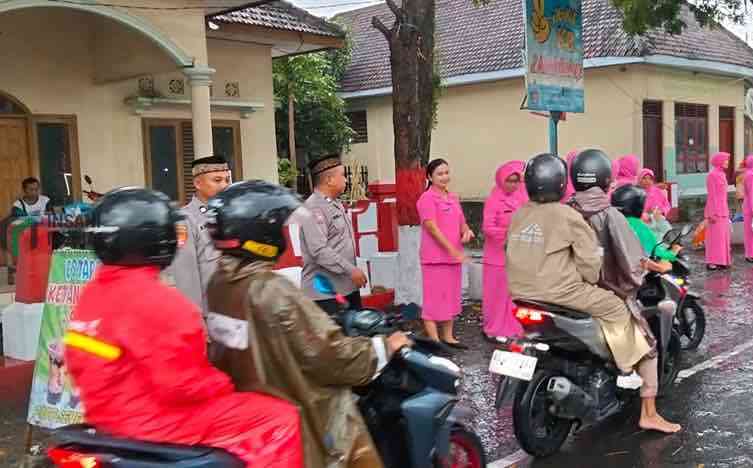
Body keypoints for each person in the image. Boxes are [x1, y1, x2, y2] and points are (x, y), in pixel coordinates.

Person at [64, 187, 303, 468]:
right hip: (156, 421)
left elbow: (81, 361)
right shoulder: (162, 303)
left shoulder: (92, 296)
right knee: (281, 416)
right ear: (156, 240)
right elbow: (183, 385)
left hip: (106, 416)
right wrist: (226, 384)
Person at [206, 180, 411, 468]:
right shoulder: (271, 290)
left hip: (256, 415)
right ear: (261, 234)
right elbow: (330, 356)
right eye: (279, 228)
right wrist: (384, 347)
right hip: (307, 414)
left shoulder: (220, 284)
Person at [559, 149, 682, 433]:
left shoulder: (563, 210)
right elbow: (632, 260)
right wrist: (639, 276)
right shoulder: (609, 215)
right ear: (604, 180)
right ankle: (649, 414)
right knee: (648, 348)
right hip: (606, 295)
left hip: (565, 293)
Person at [299, 154, 366, 315]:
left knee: (356, 336)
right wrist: (351, 270)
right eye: (342, 175)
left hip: (346, 288)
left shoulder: (335, 203)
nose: (346, 180)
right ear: (329, 180)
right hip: (325, 295)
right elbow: (319, 251)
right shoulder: (313, 208)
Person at [417, 158, 474, 348]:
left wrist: (466, 232)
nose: (444, 177)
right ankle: (434, 340)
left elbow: (462, 222)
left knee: (450, 298)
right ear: (430, 177)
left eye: (446, 173)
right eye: (439, 174)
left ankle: (448, 337)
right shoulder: (426, 199)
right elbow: (432, 228)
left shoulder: (453, 197)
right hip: (435, 259)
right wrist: (452, 250)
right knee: (434, 300)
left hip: (453, 258)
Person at [168, 156, 231, 318]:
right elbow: (186, 277)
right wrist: (196, 319)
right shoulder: (184, 220)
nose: (224, 186)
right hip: (209, 316)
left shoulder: (231, 215)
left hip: (235, 313)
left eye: (227, 180)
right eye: (217, 180)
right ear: (198, 184)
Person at [481, 160, 526, 341]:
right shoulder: (493, 200)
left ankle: (513, 327)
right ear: (501, 180)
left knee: (513, 295)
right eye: (509, 181)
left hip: (516, 256)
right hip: (496, 257)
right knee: (496, 296)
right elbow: (488, 227)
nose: (513, 185)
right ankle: (494, 328)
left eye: (516, 181)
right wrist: (509, 235)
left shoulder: (521, 197)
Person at [610, 184, 680, 262]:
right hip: (640, 269)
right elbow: (657, 253)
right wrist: (674, 251)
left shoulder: (613, 222)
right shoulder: (638, 226)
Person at [704, 152, 732, 270]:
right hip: (715, 211)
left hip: (723, 210)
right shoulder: (712, 175)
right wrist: (712, 212)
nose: (727, 162)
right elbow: (712, 196)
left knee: (722, 237)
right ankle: (712, 261)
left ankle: (722, 260)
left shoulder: (722, 175)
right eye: (725, 160)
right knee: (715, 238)